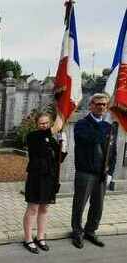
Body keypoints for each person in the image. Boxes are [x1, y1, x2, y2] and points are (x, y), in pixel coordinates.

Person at [71, 93, 117, 249]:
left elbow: (112, 151)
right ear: (91, 105)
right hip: (85, 172)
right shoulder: (82, 124)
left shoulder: (108, 126)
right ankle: (77, 232)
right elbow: (93, 139)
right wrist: (103, 124)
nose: (102, 107)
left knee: (98, 205)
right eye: (98, 104)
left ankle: (90, 230)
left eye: (104, 104)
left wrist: (110, 172)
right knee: (80, 204)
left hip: (102, 173)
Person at [23, 113, 66, 254]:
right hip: (36, 177)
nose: (45, 125)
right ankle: (28, 239)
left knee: (44, 208)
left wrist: (63, 145)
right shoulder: (33, 136)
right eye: (42, 123)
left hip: (49, 178)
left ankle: (40, 237)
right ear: (36, 124)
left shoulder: (50, 138)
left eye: (47, 123)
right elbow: (39, 149)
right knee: (33, 208)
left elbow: (59, 158)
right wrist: (55, 126)